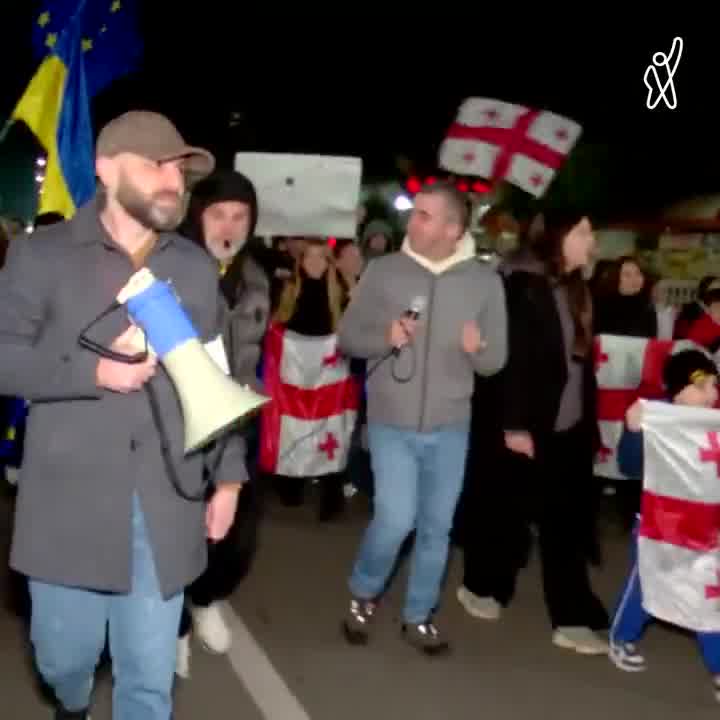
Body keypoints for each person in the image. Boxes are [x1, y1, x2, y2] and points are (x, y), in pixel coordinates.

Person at [0, 110, 248, 720]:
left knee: (147, 679)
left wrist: (230, 476)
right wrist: (95, 374)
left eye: (179, 170)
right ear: (108, 170)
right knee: (65, 660)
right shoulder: (41, 256)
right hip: (68, 500)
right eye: (156, 165)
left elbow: (217, 378)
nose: (173, 181)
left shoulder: (191, 268)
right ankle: (72, 702)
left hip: (166, 498)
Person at [338, 181, 508, 655]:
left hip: (451, 425)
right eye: (415, 213)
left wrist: (480, 350)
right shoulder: (385, 271)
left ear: (454, 229)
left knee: (437, 527)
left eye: (426, 216)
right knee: (395, 518)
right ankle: (364, 591)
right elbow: (349, 336)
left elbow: (496, 360)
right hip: (392, 420)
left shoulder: (484, 281)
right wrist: (384, 336)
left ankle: (419, 614)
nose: (413, 222)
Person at [456, 212, 609, 655]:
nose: (592, 241)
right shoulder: (521, 286)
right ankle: (483, 586)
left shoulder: (575, 290)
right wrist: (515, 424)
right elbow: (514, 363)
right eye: (583, 231)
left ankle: (571, 616)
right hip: (525, 425)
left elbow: (579, 368)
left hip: (567, 430)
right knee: (506, 516)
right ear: (559, 238)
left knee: (566, 524)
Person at [175, 168, 269, 676]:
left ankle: (207, 598)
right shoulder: (176, 270)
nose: (229, 226)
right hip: (183, 422)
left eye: (240, 216)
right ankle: (175, 628)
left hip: (239, 421)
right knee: (179, 530)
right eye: (218, 214)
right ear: (198, 216)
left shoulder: (256, 277)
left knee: (235, 534)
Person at [610, 349, 720, 702]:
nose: (712, 394)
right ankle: (621, 636)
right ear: (678, 391)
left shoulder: (714, 425)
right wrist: (633, 430)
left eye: (715, 385)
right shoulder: (658, 420)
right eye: (703, 386)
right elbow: (628, 466)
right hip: (660, 525)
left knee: (707, 594)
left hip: (705, 529)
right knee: (648, 586)